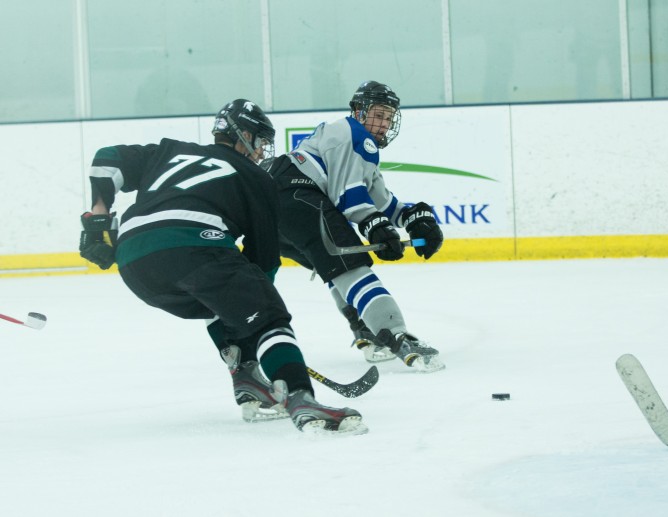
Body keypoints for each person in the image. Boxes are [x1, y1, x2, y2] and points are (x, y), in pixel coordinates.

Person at [77, 98, 366, 435]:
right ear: (242, 134)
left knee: (223, 300)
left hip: (133, 260)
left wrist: (99, 216)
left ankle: (246, 377)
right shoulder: (256, 178)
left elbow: (107, 158)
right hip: (192, 244)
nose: (261, 152)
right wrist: (260, 317)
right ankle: (302, 399)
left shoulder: (169, 150)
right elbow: (263, 262)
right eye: (259, 141)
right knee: (266, 313)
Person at [267, 81, 445, 372]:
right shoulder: (351, 134)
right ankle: (396, 335)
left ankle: (365, 330)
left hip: (276, 208)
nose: (384, 123)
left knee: (335, 267)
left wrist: (413, 218)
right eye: (378, 114)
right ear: (359, 112)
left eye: (388, 118)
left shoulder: (354, 142)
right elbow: (349, 197)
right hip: (296, 194)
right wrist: (375, 226)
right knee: (350, 264)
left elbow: (383, 202)